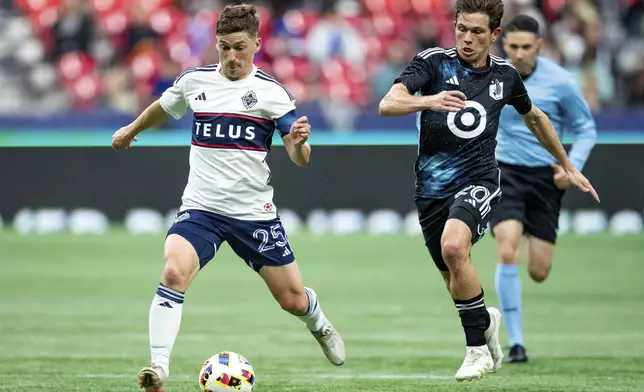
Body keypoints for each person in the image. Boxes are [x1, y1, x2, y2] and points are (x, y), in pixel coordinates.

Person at [111, 4, 346, 392]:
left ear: (256, 43)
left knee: (291, 299)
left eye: (239, 47)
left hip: (253, 214)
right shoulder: (195, 82)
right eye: (224, 48)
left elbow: (298, 158)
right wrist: (131, 128)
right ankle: (158, 366)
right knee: (173, 272)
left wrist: (301, 145)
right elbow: (164, 107)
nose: (232, 57)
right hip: (201, 209)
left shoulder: (272, 94)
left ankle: (319, 323)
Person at [378, 0, 599, 382]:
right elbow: (388, 103)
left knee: (453, 246)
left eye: (477, 32)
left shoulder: (505, 77)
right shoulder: (431, 62)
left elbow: (536, 118)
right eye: (462, 29)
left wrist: (567, 164)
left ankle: (476, 352)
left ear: (494, 35)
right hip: (431, 188)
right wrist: (429, 100)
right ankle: (485, 322)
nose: (467, 38)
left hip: (480, 179)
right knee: (453, 277)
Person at [490, 15, 597, 364]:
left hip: (546, 180)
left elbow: (585, 128)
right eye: (513, 47)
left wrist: (572, 166)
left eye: (526, 47)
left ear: (539, 46)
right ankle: (516, 344)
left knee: (538, 271)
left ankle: (521, 235)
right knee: (506, 250)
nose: (519, 54)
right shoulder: (493, 76)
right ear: (504, 45)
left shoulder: (561, 82)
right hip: (504, 172)